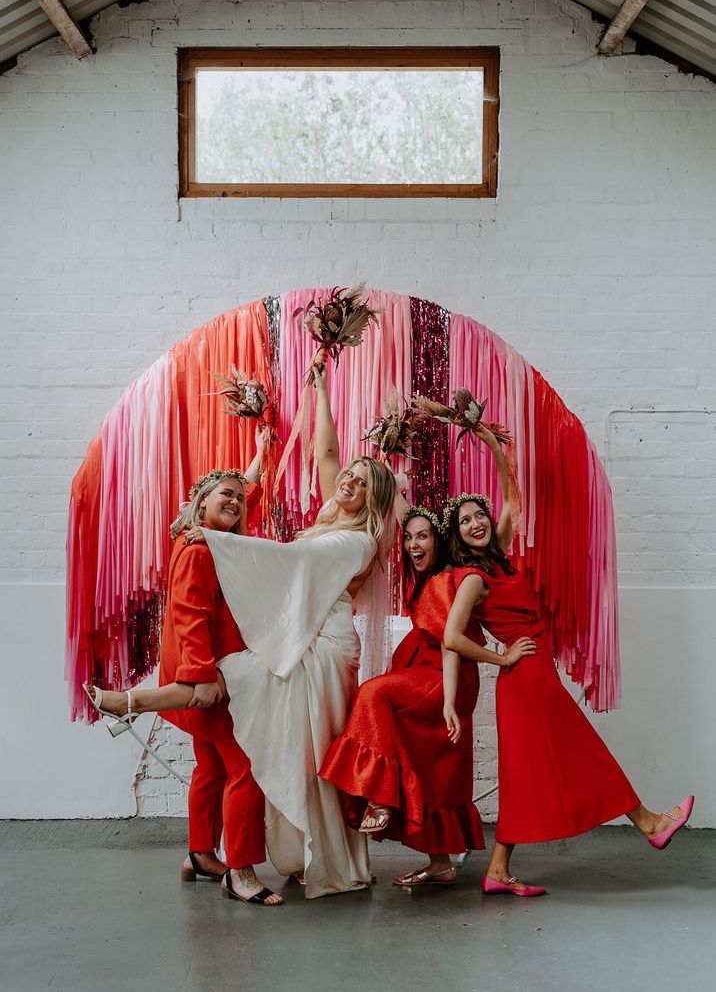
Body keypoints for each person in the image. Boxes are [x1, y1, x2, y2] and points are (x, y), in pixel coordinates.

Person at [91, 356, 396, 900]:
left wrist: (219, 538)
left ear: (374, 500)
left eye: (359, 482)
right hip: (296, 634)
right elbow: (324, 453)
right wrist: (319, 391)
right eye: (346, 475)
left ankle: (136, 703)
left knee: (254, 714)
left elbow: (292, 565)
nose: (346, 481)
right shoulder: (329, 514)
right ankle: (214, 855)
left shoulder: (357, 539)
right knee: (239, 742)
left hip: (323, 644)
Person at [441, 424, 695, 897]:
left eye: (479, 515)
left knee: (526, 774)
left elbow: (513, 499)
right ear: (457, 536)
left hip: (536, 674)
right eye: (465, 522)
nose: (476, 524)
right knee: (584, 753)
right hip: (524, 678)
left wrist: (494, 446)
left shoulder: (500, 559)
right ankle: (650, 822)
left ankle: (498, 870)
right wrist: (501, 655)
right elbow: (452, 636)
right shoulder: (473, 576)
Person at [86, 441, 285, 907]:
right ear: (201, 504)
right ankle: (240, 871)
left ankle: (199, 853)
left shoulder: (213, 539)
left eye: (239, 497)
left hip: (203, 673)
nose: (235, 502)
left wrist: (256, 456)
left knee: (211, 768)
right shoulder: (199, 551)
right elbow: (189, 614)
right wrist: (201, 677)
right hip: (209, 679)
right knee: (246, 771)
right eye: (225, 496)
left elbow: (244, 494)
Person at [319, 504, 536, 887]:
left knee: (373, 694)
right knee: (434, 768)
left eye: (424, 537)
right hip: (428, 672)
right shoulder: (424, 579)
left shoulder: (444, 579)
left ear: (440, 543)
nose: (414, 544)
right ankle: (440, 864)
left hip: (440, 676)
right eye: (409, 538)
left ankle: (381, 797)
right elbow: (403, 508)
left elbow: (451, 645)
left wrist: (456, 696)